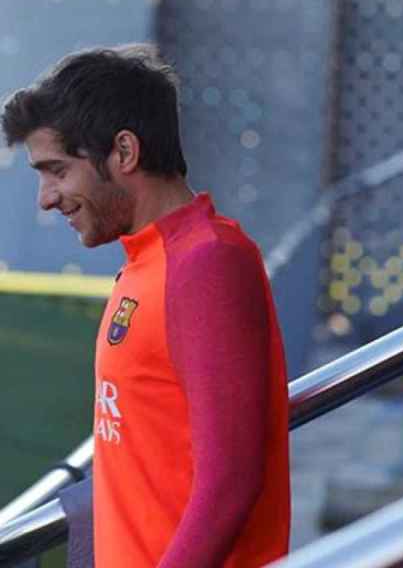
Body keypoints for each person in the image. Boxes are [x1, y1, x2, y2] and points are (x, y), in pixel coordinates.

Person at [2, 45, 291, 567]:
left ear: (125, 152)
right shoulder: (149, 260)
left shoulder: (208, 262)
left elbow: (231, 482)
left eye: (57, 170)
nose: (46, 197)